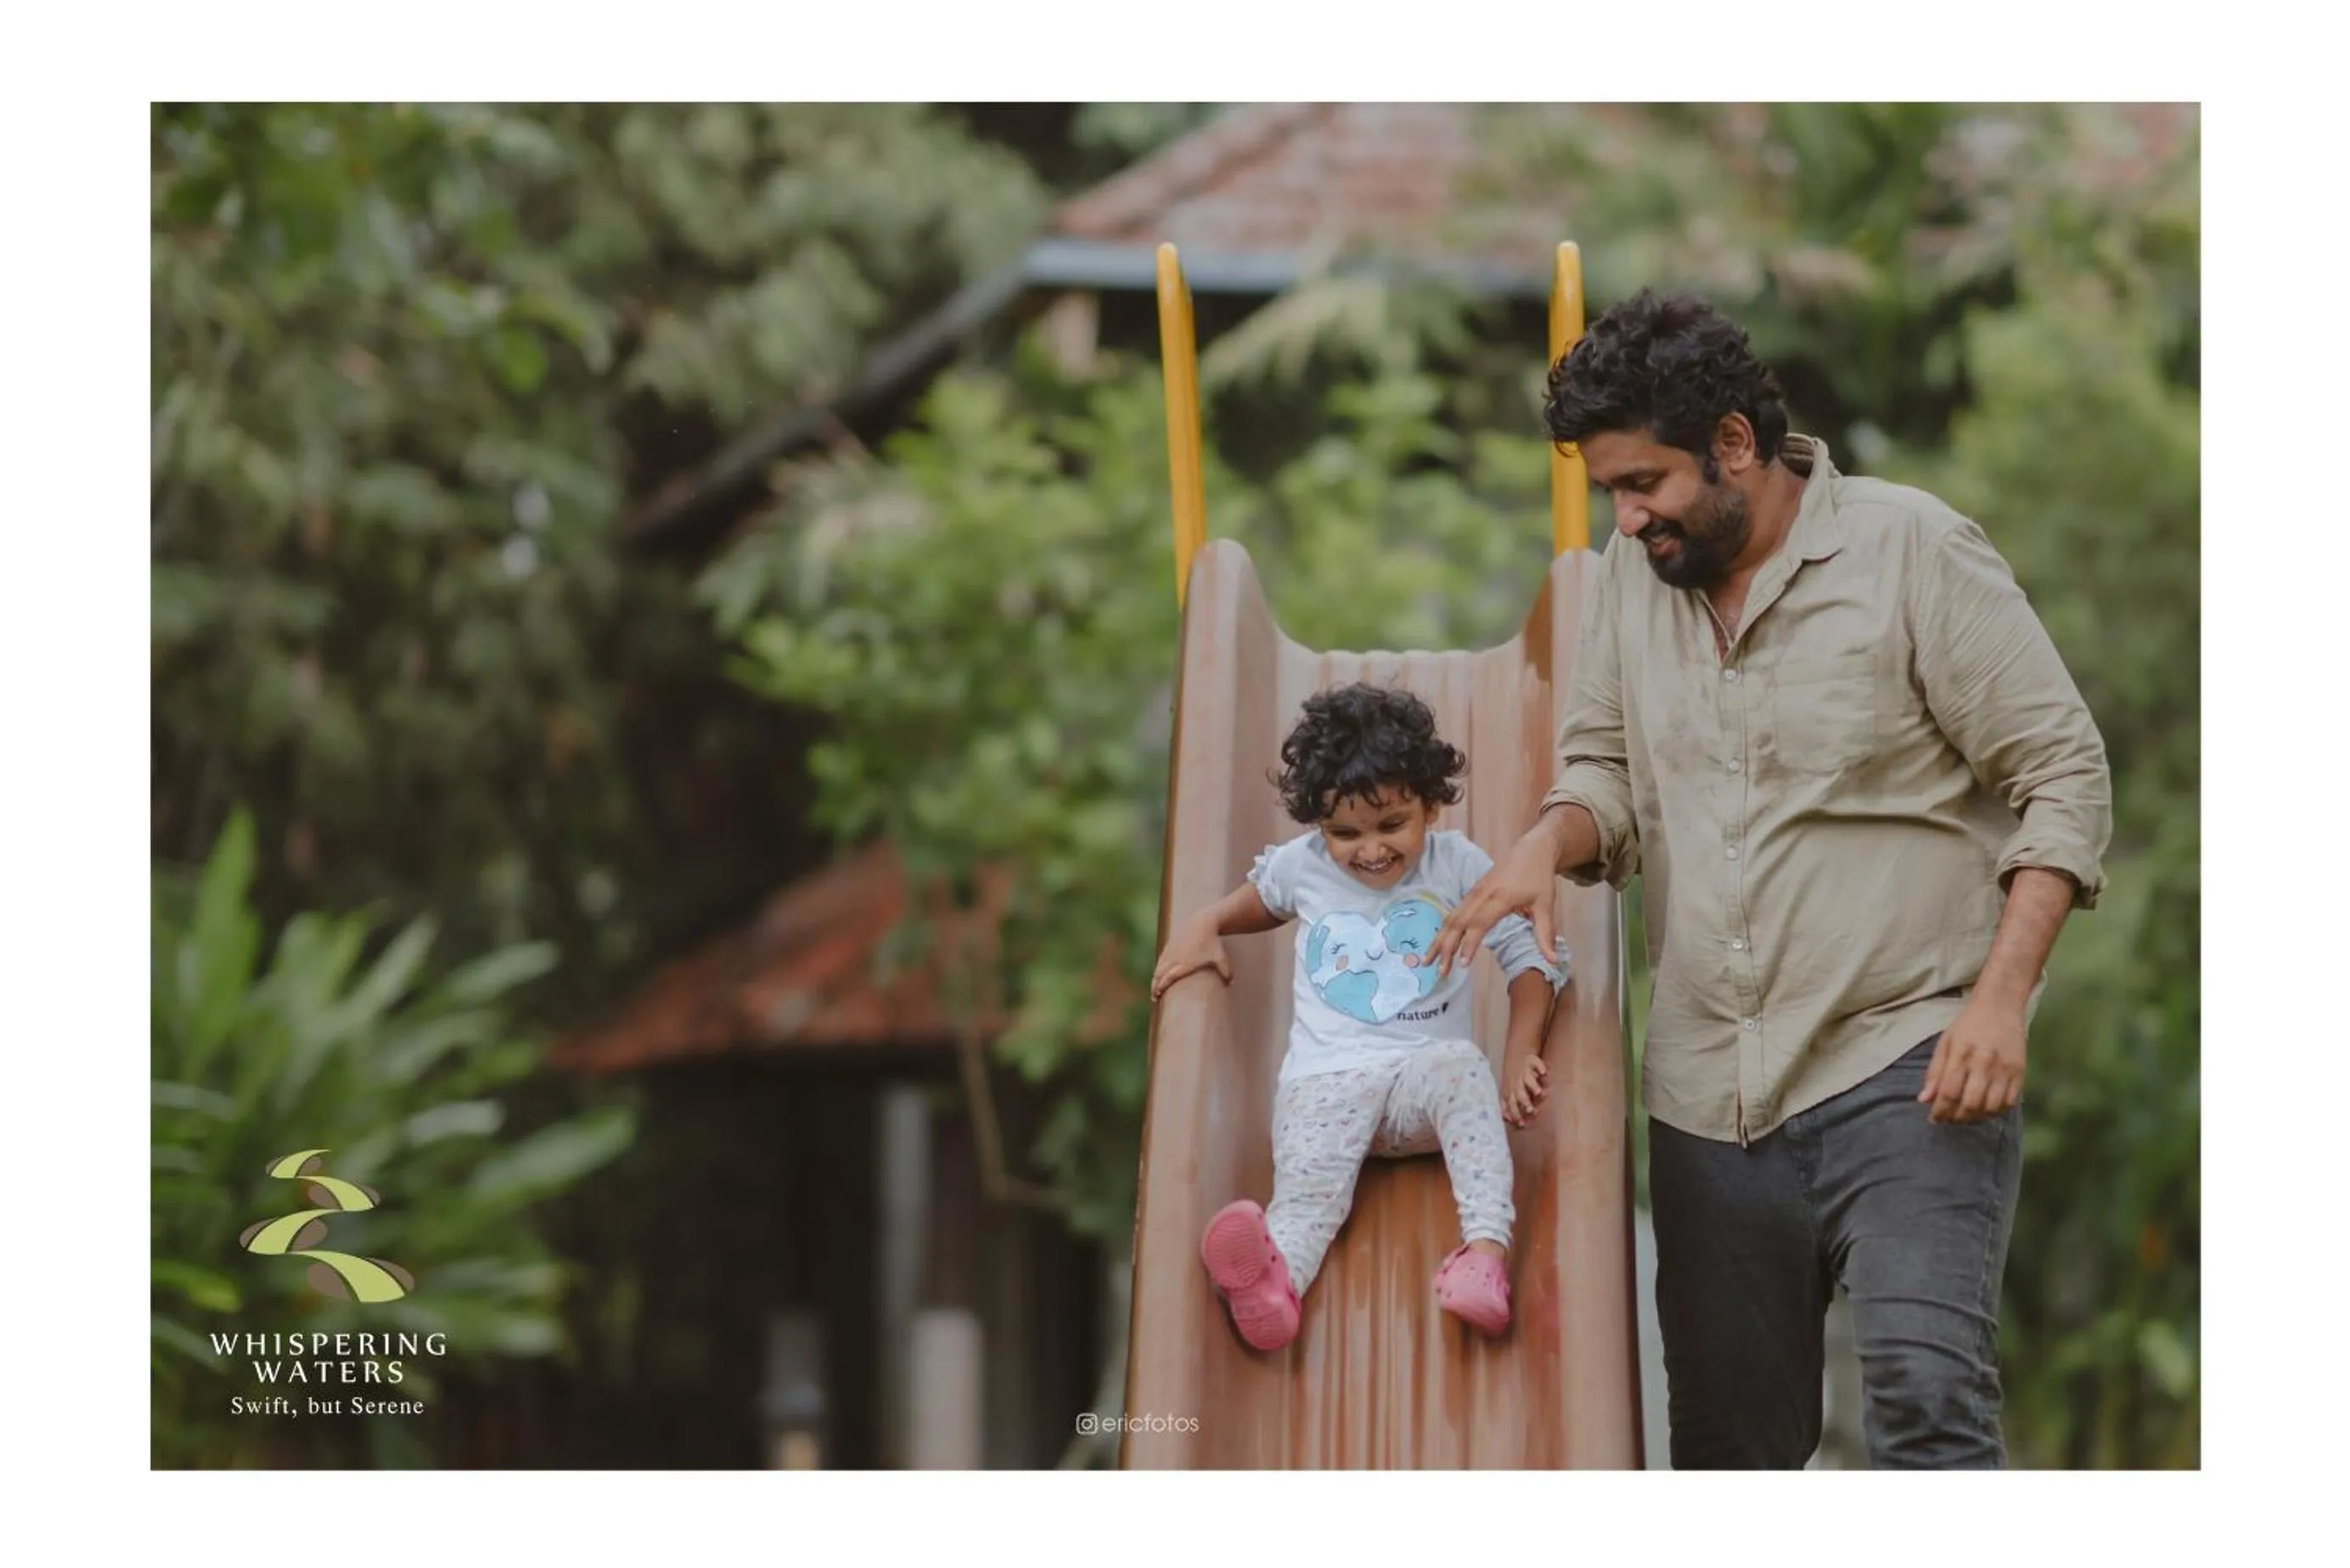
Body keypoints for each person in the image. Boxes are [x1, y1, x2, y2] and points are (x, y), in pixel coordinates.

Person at [1428, 291, 2111, 1469]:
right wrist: (1544, 843)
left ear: (1733, 442)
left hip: (1907, 1060)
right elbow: (1604, 770)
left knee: (1926, 1408)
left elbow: (2066, 772)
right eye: (1612, 492)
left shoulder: (1914, 551)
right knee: (1734, 1456)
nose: (1630, 516)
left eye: (1646, 482)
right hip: (1709, 1101)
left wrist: (2000, 1001)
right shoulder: (1635, 577)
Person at [1151, 682, 1566, 1352]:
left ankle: (1484, 1254)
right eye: (1343, 832)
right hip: (1326, 1084)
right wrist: (1207, 922)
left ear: (1430, 805)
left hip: (1418, 1093)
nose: (1368, 848)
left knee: (1461, 1065)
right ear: (1317, 822)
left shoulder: (1457, 864)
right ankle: (1274, 1286)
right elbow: (1260, 901)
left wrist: (1520, 1049)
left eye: (1390, 824)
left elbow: (1531, 954)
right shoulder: (1303, 866)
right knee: (1310, 1199)